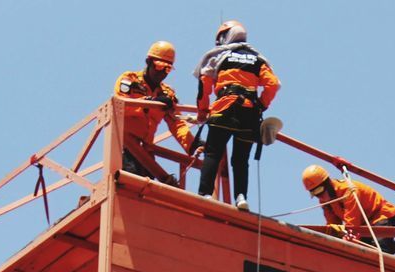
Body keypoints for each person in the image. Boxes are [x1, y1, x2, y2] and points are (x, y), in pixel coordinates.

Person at [193, 20, 280, 211]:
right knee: (240, 160)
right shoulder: (258, 60)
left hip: (224, 108)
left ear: (226, 36)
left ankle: (205, 194)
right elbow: (273, 84)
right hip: (249, 114)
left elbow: (204, 85)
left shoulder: (219, 56)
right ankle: (241, 197)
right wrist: (261, 105)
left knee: (213, 152)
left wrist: (202, 111)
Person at [113, 41, 196, 182]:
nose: (163, 73)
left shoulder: (167, 93)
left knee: (147, 191)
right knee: (131, 184)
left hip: (146, 153)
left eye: (168, 68)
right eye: (159, 66)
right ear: (148, 62)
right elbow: (120, 106)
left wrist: (193, 146)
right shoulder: (130, 80)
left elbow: (177, 123)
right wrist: (151, 102)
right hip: (126, 147)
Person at [301, 164, 395, 256]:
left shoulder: (348, 191)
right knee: (362, 254)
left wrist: (346, 238)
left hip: (380, 216)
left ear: (327, 183)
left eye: (319, 190)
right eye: (314, 193)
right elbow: (333, 226)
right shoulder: (326, 202)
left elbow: (352, 224)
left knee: (380, 254)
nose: (319, 196)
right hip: (363, 225)